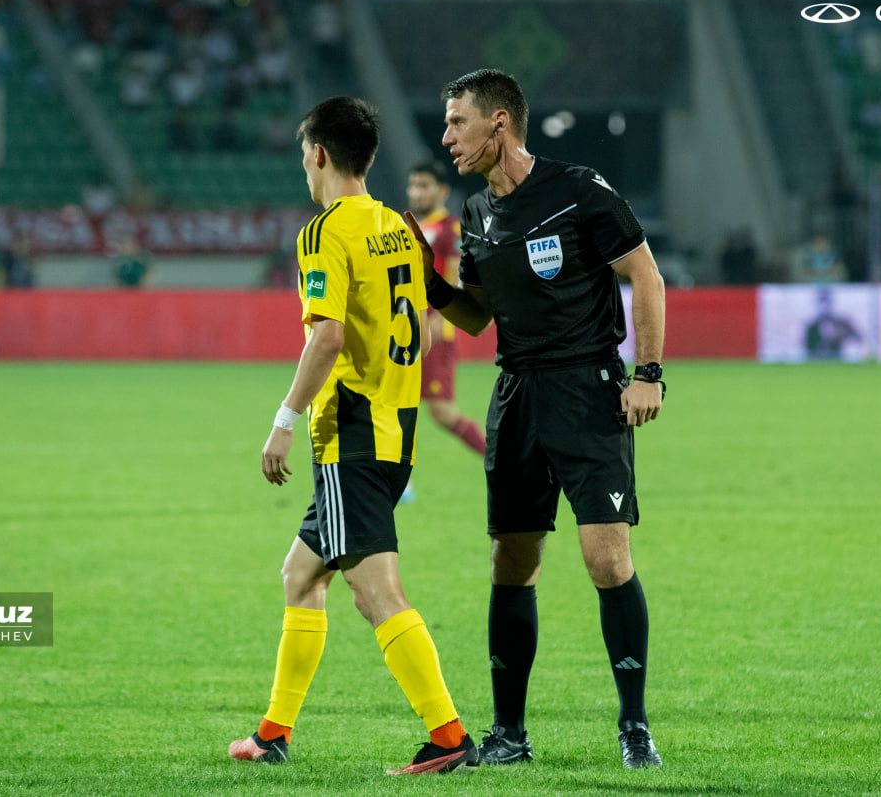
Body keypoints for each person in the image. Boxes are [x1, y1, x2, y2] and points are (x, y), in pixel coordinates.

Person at [406, 69, 666, 770]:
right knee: (512, 561)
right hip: (517, 393)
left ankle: (634, 726)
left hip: (587, 391)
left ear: (498, 123)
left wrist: (648, 374)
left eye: (457, 122)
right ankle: (509, 735)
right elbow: (477, 315)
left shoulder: (580, 189)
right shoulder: (475, 213)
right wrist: (427, 277)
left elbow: (645, 275)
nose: (446, 137)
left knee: (606, 559)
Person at [228, 96, 479, 775]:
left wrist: (283, 422)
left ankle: (449, 737)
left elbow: (327, 337)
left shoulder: (325, 233)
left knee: (375, 594)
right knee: (301, 574)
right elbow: (455, 309)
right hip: (396, 431)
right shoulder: (399, 225)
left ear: (318, 154)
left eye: (303, 156)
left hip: (352, 436)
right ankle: (273, 734)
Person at [398, 160, 487, 504]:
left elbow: (451, 286)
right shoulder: (403, 227)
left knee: (442, 413)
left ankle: (500, 460)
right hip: (403, 331)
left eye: (424, 185)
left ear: (443, 191)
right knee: (394, 406)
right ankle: (401, 482)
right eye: (413, 185)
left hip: (434, 334)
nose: (416, 192)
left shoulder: (449, 230)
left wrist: (432, 329)